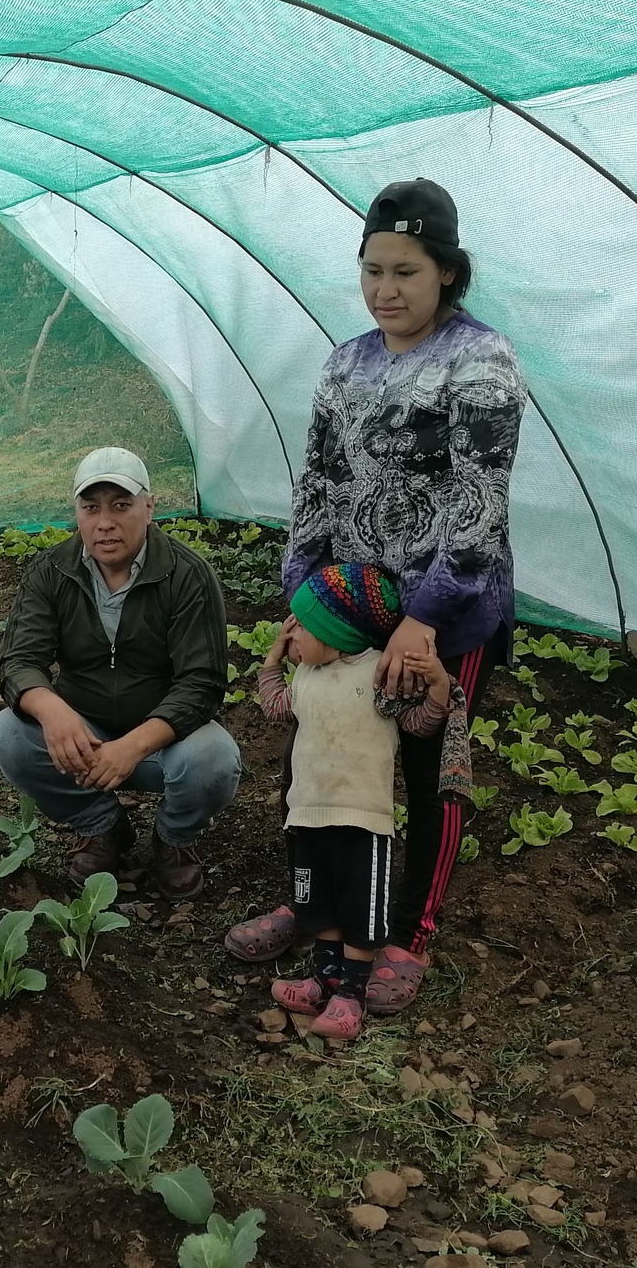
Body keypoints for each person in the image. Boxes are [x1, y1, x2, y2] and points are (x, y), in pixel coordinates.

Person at [225, 177, 525, 1015]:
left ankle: (407, 933)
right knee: (320, 749)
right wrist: (302, 595)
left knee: (428, 765)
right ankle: (315, 903)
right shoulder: (346, 363)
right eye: (372, 270)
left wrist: (424, 619)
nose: (386, 290)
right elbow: (318, 483)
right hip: (350, 602)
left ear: (448, 276)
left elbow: (478, 500)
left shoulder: (481, 360)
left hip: (446, 608)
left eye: (406, 272)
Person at [0, 447, 241, 900]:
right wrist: (53, 712)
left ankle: (174, 841)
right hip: (86, 737)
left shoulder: (186, 575)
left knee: (214, 759)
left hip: (165, 743)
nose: (105, 522)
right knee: (9, 733)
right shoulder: (52, 572)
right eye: (91, 508)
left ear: (149, 508)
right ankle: (103, 826)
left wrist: (134, 745)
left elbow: (202, 682)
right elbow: (18, 660)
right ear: (78, 514)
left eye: (120, 506)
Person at [255, 564, 463, 1041]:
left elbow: (420, 724)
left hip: (362, 821)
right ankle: (323, 981)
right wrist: (272, 661)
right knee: (321, 905)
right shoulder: (305, 677)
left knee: (360, 908)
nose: (291, 635)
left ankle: (350, 995)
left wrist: (436, 683)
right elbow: (273, 706)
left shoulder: (377, 675)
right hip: (308, 816)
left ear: (334, 630)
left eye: (300, 626)